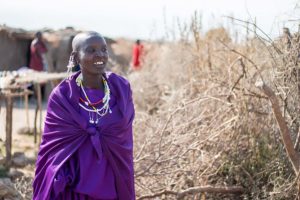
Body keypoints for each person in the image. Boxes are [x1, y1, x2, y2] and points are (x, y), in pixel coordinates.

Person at [32, 31, 135, 200]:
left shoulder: (121, 89)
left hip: (111, 183)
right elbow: (53, 148)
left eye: (103, 49)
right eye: (91, 50)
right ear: (76, 57)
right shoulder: (63, 96)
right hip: (73, 186)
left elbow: (124, 141)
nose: (99, 55)